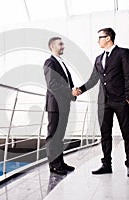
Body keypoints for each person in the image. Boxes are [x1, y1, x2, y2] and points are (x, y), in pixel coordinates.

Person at [73, 28, 129, 177]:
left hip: (121, 100)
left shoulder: (123, 53)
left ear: (108, 38)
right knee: (105, 134)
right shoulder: (98, 58)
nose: (98, 41)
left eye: (100, 38)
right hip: (103, 102)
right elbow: (93, 80)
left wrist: (128, 97)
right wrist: (80, 90)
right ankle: (106, 164)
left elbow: (128, 76)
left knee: (127, 132)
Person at [43, 37, 76, 175]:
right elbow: (51, 84)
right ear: (52, 46)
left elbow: (67, 81)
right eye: (60, 44)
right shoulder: (50, 62)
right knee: (53, 135)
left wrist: (73, 92)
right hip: (55, 105)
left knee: (60, 136)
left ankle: (60, 162)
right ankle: (54, 165)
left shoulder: (61, 62)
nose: (63, 46)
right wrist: (70, 91)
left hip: (63, 104)